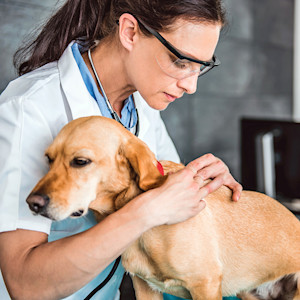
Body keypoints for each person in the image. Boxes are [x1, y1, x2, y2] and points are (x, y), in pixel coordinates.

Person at [0, 0, 242, 299]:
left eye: (200, 66)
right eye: (181, 61)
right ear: (129, 32)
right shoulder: (28, 109)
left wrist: (202, 184)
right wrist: (146, 212)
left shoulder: (142, 103)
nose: (191, 85)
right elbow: (25, 285)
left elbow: (167, 204)